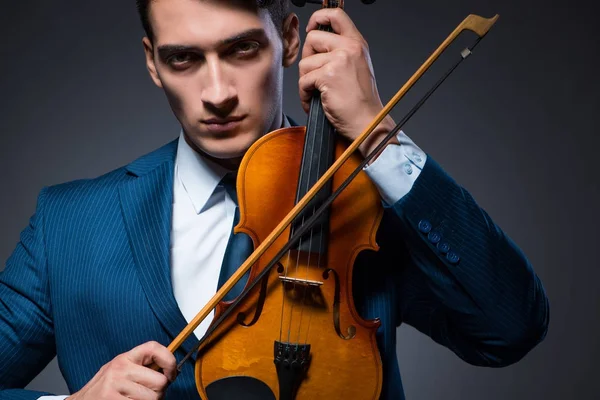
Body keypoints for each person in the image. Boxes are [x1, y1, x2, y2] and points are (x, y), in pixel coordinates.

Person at [0, 0, 549, 399]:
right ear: (152, 62)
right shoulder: (66, 223)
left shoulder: (363, 198)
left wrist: (375, 133)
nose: (216, 94)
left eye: (241, 49)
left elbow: (509, 329)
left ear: (289, 40)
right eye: (184, 59)